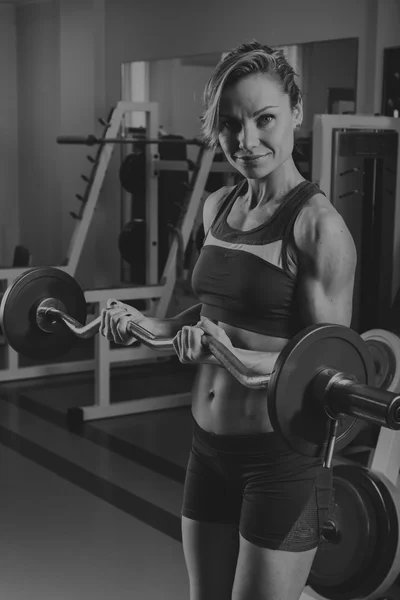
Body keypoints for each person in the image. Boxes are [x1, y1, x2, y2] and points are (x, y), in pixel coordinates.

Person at [100, 41, 357, 600]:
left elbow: (329, 369)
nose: (247, 141)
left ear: (295, 110)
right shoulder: (218, 205)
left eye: (264, 119)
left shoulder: (318, 228)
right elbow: (212, 313)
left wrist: (229, 354)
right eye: (230, 124)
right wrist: (146, 323)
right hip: (207, 452)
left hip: (280, 461)